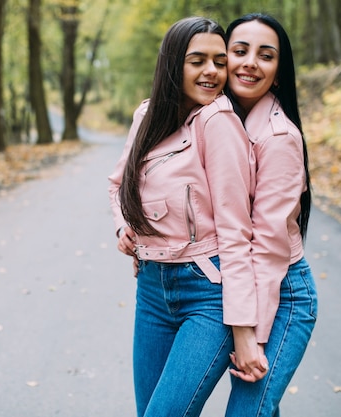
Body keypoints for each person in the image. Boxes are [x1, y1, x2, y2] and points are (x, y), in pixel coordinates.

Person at [108, 16, 265, 417]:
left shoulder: (218, 122)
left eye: (218, 60)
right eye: (198, 60)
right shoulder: (147, 116)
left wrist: (244, 330)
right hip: (152, 289)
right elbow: (117, 184)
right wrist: (124, 225)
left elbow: (236, 231)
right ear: (173, 64)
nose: (211, 71)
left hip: (207, 293)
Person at [222, 13, 319, 417]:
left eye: (266, 55)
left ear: (278, 73)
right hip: (245, 287)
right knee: (260, 408)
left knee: (250, 410)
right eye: (239, 51)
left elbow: (267, 247)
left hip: (282, 295)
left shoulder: (278, 137)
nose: (249, 63)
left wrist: (251, 335)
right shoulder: (217, 120)